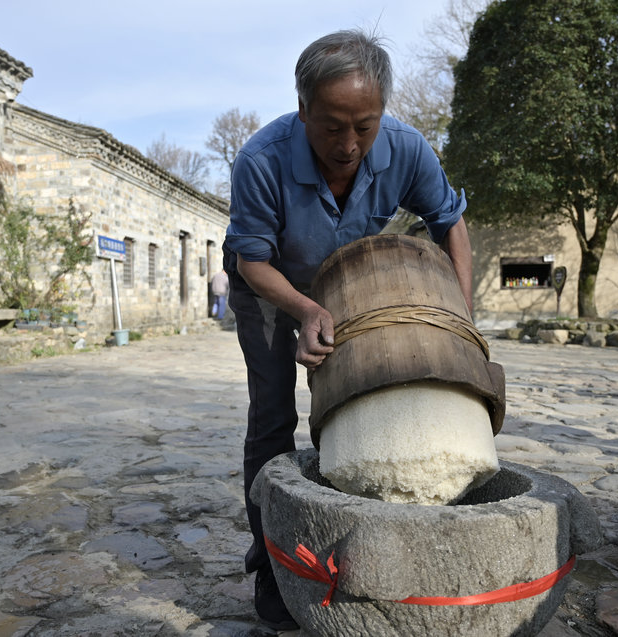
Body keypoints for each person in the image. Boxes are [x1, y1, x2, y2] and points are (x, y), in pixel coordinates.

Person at [221, 29, 472, 630]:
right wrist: (304, 311)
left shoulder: (408, 149)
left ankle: (353, 551)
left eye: (365, 125)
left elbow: (451, 224)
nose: (349, 143)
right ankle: (274, 563)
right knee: (273, 417)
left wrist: (460, 319)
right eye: (333, 125)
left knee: (352, 405)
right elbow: (251, 259)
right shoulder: (262, 158)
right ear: (303, 108)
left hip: (346, 287)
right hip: (269, 290)